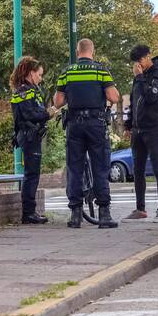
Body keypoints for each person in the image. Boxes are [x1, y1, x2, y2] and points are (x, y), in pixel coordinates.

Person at [54, 38, 121, 229]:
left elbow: (58, 101)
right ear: (93, 51)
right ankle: (104, 214)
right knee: (100, 166)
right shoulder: (100, 71)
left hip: (74, 125)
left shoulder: (67, 72)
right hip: (96, 124)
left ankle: (75, 215)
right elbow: (114, 97)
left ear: (77, 52)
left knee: (74, 168)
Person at [123, 44, 158, 221]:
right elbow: (135, 99)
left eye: (140, 60)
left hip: (154, 127)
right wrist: (129, 124)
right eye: (136, 62)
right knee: (138, 168)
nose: (138, 65)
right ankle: (140, 208)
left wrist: (140, 77)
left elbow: (151, 96)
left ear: (148, 57)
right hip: (138, 129)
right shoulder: (139, 77)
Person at [10, 57, 53, 225]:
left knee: (32, 174)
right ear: (31, 73)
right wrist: (48, 113)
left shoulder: (25, 90)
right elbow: (30, 114)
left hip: (28, 135)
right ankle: (28, 213)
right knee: (31, 175)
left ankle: (30, 212)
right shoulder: (26, 91)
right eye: (39, 74)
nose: (41, 78)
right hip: (29, 136)